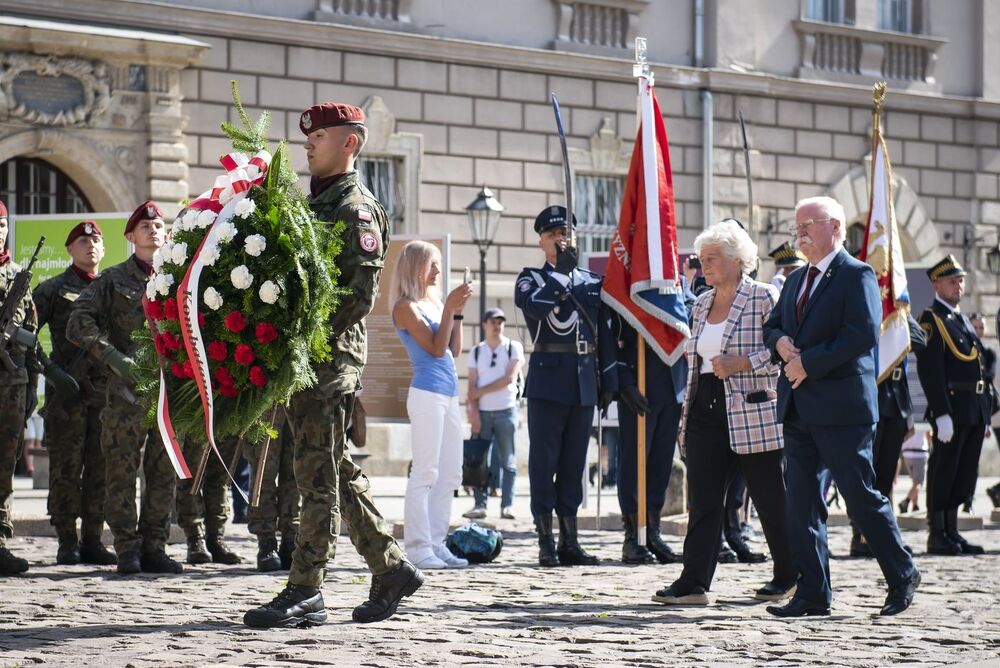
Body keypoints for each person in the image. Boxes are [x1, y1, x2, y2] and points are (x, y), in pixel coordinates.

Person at [245, 102, 423, 628]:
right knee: (332, 466)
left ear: (349, 142)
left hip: (326, 360)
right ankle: (391, 569)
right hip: (304, 360)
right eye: (308, 136)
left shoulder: (356, 209)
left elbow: (356, 297)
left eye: (319, 135)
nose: (308, 143)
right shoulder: (312, 204)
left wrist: (296, 343)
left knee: (314, 475)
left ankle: (306, 589)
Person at [762, 196, 919, 617]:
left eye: (807, 225)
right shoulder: (796, 280)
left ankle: (902, 573)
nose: (801, 235)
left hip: (841, 410)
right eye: (797, 228)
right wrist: (779, 343)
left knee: (860, 497)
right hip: (798, 409)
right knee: (801, 504)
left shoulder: (857, 274)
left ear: (834, 226)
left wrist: (806, 363)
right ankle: (813, 591)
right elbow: (773, 324)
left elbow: (862, 333)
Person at [652, 220, 795, 605]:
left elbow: (784, 351)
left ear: (737, 260)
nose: (704, 266)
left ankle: (789, 575)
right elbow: (695, 362)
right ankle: (694, 581)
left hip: (752, 409)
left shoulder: (764, 297)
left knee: (769, 499)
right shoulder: (699, 303)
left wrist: (743, 364)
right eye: (701, 259)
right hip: (704, 408)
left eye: (712, 258)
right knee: (704, 501)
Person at [67, 201, 182, 575]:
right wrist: (114, 358)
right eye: (145, 225)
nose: (153, 229)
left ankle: (155, 547)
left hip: (169, 391)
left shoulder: (181, 278)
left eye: (159, 224)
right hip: (125, 393)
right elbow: (78, 322)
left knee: (164, 472)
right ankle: (127, 548)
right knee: (121, 472)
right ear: (131, 236)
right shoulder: (113, 279)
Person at [515, 205, 618, 567]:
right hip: (547, 380)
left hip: (582, 380)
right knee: (544, 462)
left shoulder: (590, 281)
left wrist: (611, 380)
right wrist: (559, 274)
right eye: (553, 235)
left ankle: (569, 540)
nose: (560, 240)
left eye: (565, 234)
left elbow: (603, 332)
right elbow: (535, 309)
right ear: (542, 241)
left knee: (575, 463)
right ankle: (545, 540)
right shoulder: (530, 278)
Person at [33, 220, 117, 566]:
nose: (90, 245)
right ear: (69, 249)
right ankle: (67, 539)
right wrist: (49, 370)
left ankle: (93, 539)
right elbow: (24, 333)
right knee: (66, 469)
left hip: (104, 393)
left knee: (100, 468)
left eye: (96, 239)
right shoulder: (52, 289)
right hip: (66, 394)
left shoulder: (113, 288)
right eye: (82, 240)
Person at [392, 240, 473, 569]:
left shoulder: (432, 302)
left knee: (451, 474)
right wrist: (448, 308)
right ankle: (418, 547)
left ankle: (437, 543)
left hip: (449, 394)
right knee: (425, 473)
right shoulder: (405, 307)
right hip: (427, 393)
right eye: (432, 265)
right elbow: (437, 350)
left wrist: (457, 311)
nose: (438, 272)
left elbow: (455, 347)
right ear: (416, 267)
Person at [915, 256, 990, 555]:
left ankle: (953, 530)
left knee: (964, 471)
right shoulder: (931, 320)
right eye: (951, 281)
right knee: (944, 469)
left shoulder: (959, 319)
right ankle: (937, 534)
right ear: (936, 285)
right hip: (953, 406)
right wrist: (941, 411)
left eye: (960, 280)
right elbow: (931, 370)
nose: (958, 286)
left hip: (972, 407)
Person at [611, 301, 691, 565]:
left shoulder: (675, 289)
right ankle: (633, 535)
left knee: (661, 463)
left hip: (671, 384)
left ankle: (653, 531)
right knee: (634, 462)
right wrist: (623, 382)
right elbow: (611, 337)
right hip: (639, 384)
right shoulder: (625, 289)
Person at [848, 312, 925, 557]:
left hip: (896, 399)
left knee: (885, 474)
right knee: (866, 474)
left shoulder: (898, 313)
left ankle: (883, 535)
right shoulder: (866, 308)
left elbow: (921, 340)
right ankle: (860, 536)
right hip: (872, 396)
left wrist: (899, 320)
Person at [0, 199, 39, 575]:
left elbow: (32, 340)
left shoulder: (18, 277)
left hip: (12, 382)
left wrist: (31, 390)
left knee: (5, 463)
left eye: (1, 225)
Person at [464, 307, 523, 521]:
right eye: (492, 322)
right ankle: (480, 504)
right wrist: (473, 411)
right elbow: (471, 386)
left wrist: (479, 392)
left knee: (508, 460)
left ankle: (508, 505)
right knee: (478, 461)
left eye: (500, 322)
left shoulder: (513, 347)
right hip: (483, 414)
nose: (496, 326)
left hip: (507, 411)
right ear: (484, 325)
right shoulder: (476, 351)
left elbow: (509, 378)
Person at [246, 406, 300, 571]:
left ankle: (290, 541)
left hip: (303, 397)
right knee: (263, 472)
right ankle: (266, 543)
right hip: (266, 400)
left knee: (296, 473)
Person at [176, 436, 242, 565]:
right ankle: (195, 538)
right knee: (190, 476)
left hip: (228, 418)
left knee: (221, 477)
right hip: (197, 419)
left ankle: (216, 537)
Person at [899, 428, 930, 514]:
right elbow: (929, 434)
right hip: (920, 452)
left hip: (906, 453)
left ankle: (915, 505)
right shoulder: (923, 417)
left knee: (914, 482)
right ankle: (906, 502)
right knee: (919, 482)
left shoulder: (908, 416)